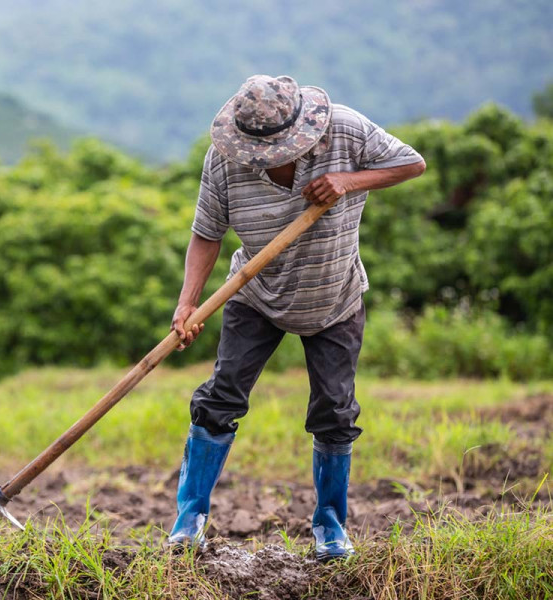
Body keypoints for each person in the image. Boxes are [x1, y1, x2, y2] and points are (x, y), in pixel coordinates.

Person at [167, 74, 426, 561]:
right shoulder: (225, 160)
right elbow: (207, 233)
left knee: (334, 410)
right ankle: (189, 520)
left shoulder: (346, 130)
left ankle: (330, 527)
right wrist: (188, 303)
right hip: (255, 293)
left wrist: (348, 181)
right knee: (220, 397)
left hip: (335, 296)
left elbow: (412, 163)